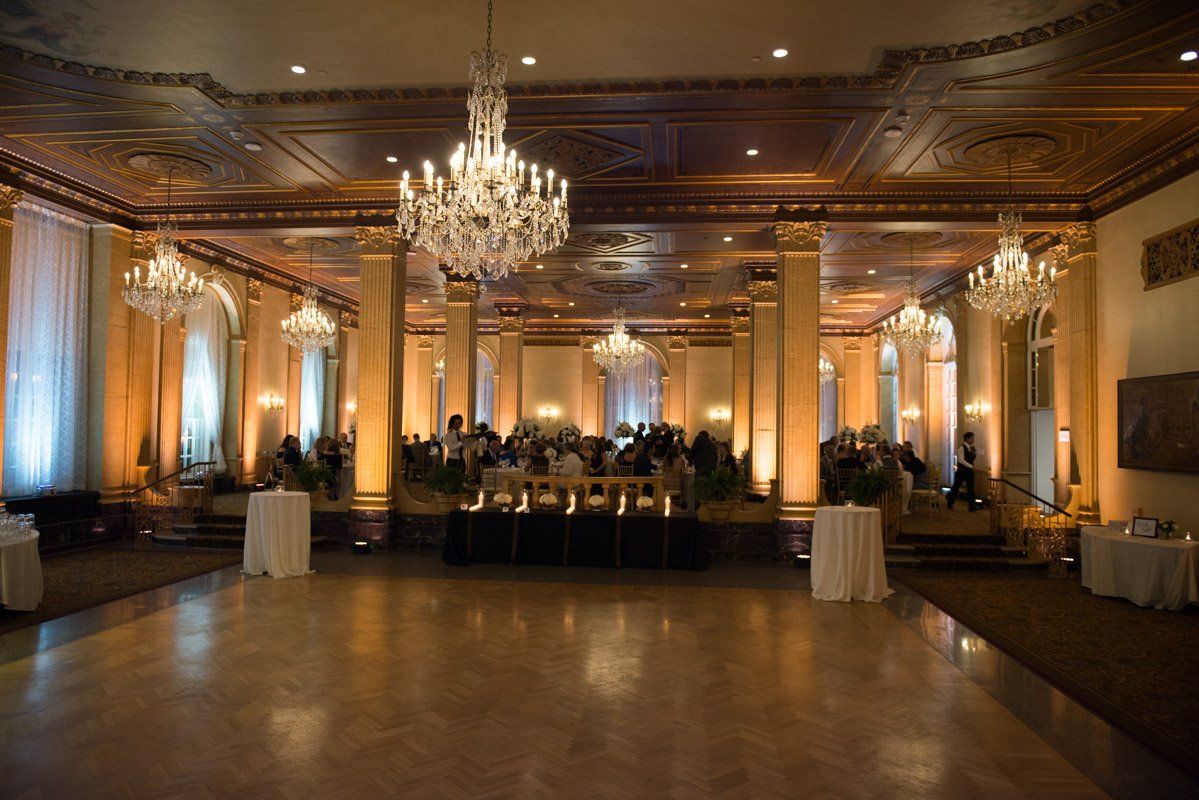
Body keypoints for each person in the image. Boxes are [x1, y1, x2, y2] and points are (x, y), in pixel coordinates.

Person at [946, 431, 978, 511]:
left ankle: (972, 507)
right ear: (967, 438)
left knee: (971, 488)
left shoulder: (972, 448)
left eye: (973, 438)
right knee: (956, 488)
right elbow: (961, 460)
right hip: (962, 471)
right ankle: (950, 503)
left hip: (969, 472)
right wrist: (971, 466)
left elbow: (971, 458)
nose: (973, 440)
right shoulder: (961, 448)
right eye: (972, 438)